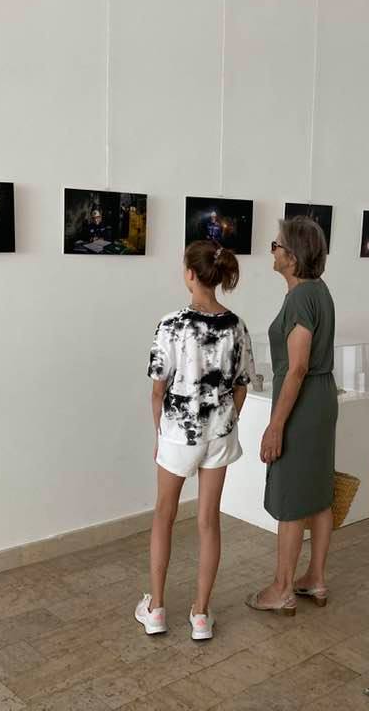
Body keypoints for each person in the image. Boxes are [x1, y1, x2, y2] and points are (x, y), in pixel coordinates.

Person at [136, 241, 255, 641]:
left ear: (190, 274)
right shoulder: (237, 325)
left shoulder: (171, 324)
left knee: (164, 515)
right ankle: (201, 615)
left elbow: (158, 389)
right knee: (208, 520)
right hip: (219, 432)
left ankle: (156, 609)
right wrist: (226, 420)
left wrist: (161, 433)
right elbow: (242, 386)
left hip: (178, 433)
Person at [247, 215, 336, 616]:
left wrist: (276, 425)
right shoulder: (320, 291)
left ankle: (282, 588)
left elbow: (297, 367)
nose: (273, 250)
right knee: (318, 492)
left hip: (302, 403)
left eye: (277, 245)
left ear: (294, 255)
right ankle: (315, 578)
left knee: (292, 496)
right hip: (321, 398)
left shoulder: (300, 298)